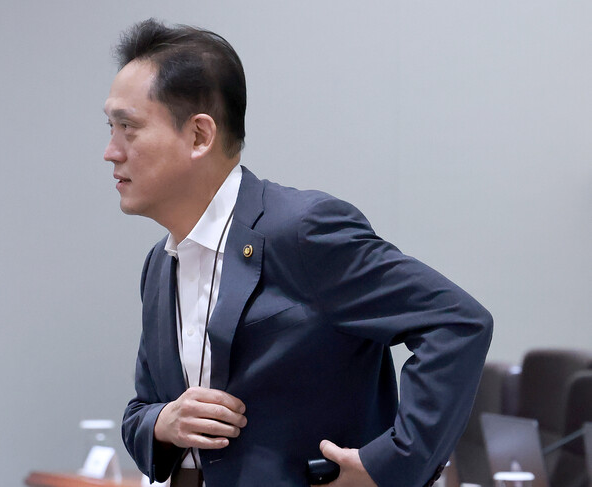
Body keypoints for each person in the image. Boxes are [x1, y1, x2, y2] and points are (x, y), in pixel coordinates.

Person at [103, 19, 493, 487]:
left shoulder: (302, 231)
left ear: (200, 136)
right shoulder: (160, 263)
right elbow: (141, 410)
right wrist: (163, 422)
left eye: (128, 128)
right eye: (111, 127)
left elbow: (457, 323)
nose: (111, 151)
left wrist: (392, 465)